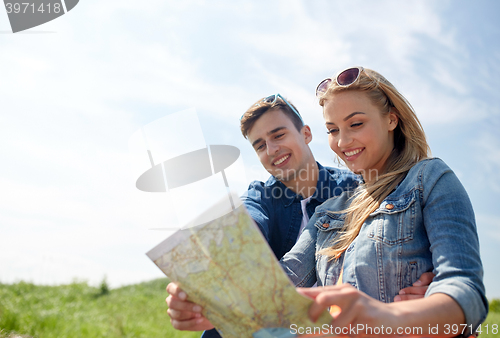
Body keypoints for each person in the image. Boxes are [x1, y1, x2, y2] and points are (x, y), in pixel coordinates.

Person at [166, 91, 434, 336]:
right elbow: (247, 224)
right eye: (260, 145)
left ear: (306, 134)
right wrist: (200, 281)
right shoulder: (259, 195)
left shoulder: (355, 189)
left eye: (278, 135)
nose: (272, 150)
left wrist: (426, 287)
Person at [279, 66, 488, 336]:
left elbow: (466, 291)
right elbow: (282, 281)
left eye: (356, 124)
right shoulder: (328, 211)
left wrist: (387, 315)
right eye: (332, 130)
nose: (342, 141)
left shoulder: (429, 178)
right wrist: (214, 300)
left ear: (391, 120)